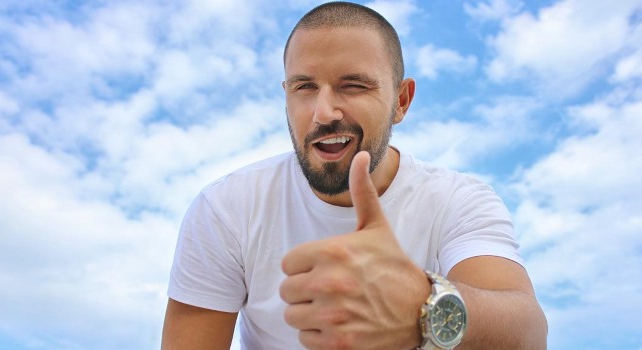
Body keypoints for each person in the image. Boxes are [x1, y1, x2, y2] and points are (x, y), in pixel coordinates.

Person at [161, 2, 547, 349]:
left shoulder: (457, 200)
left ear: (401, 101)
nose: (324, 111)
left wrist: (423, 306)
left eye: (353, 85)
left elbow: (528, 334)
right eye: (304, 87)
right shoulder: (227, 209)